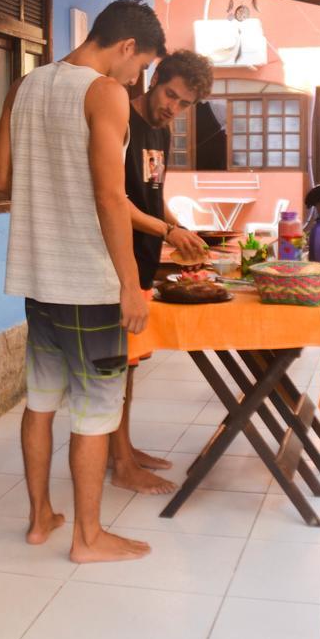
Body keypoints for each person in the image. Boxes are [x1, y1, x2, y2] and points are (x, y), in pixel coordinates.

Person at [0, 0, 166, 563]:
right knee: (95, 411)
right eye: (139, 65)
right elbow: (108, 195)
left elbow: (0, 180)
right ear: (124, 47)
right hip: (88, 285)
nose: (136, 79)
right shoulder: (104, 93)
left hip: (37, 278)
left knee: (40, 402)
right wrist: (129, 283)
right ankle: (88, 538)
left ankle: (40, 518)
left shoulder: (24, 87)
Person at [111, 50, 215, 495]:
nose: (173, 106)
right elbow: (115, 201)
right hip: (117, 261)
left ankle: (125, 449)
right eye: (170, 94)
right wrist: (169, 230)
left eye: (184, 103)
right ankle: (119, 462)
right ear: (154, 79)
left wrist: (179, 229)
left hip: (146, 261)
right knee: (114, 366)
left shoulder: (163, 130)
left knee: (130, 365)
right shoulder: (121, 120)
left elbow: (154, 197)